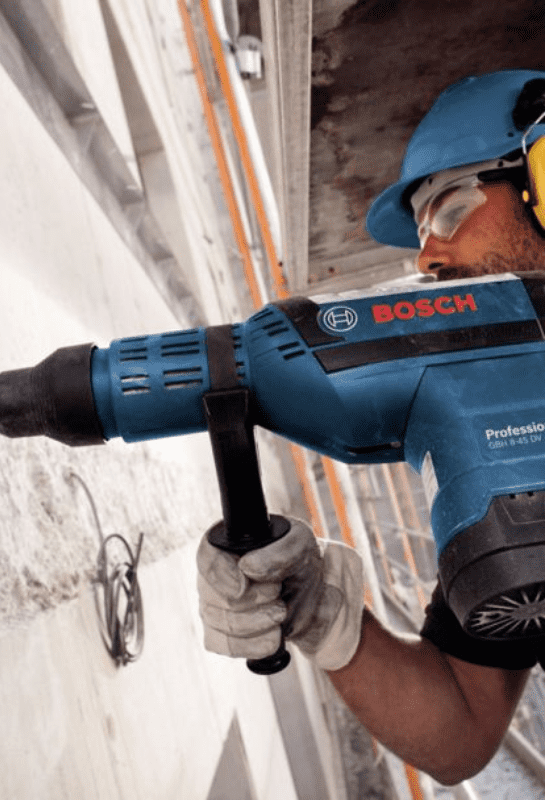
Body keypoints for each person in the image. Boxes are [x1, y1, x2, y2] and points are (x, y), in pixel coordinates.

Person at [196, 69, 545, 786]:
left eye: (450, 211)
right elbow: (460, 731)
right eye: (420, 234)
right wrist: (327, 617)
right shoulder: (512, 439)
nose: (427, 257)